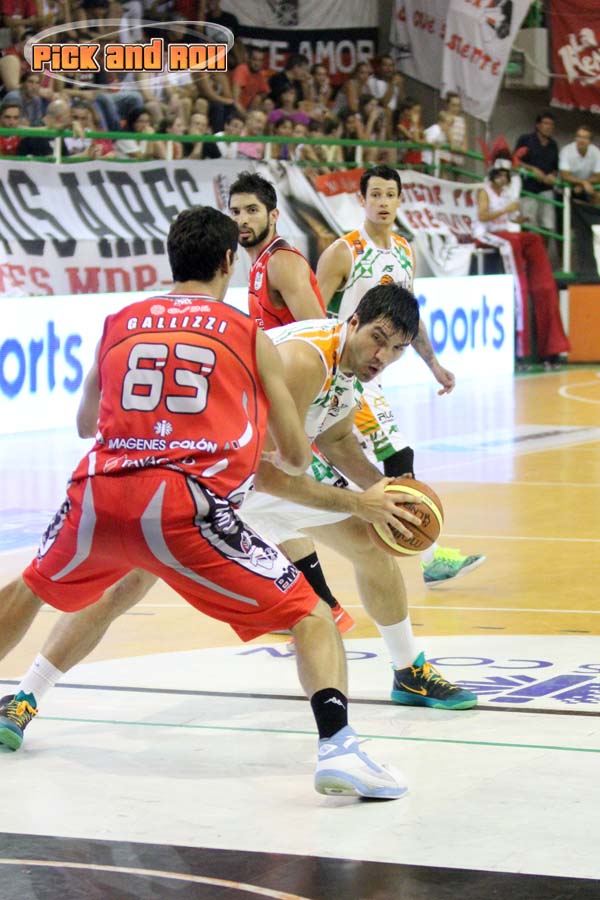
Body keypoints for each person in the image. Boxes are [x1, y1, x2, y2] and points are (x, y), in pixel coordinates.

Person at [0, 206, 411, 800]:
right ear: (228, 261)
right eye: (380, 341)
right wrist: (354, 495)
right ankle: (340, 746)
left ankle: (24, 699)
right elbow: (293, 460)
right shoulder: (255, 336)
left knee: (36, 589)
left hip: (100, 489)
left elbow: (86, 424)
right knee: (312, 614)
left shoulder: (120, 320)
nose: (383, 353)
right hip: (192, 499)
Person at [317, 164, 486, 585]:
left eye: (390, 195)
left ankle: (406, 546)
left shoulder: (404, 251)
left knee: (378, 465)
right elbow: (311, 313)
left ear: (399, 200)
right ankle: (424, 553)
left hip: (372, 374)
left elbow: (409, 316)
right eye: (375, 195)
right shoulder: (343, 251)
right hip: (343, 373)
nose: (383, 202)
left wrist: (434, 364)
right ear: (361, 200)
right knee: (395, 455)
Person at [475, 152, 570, 369]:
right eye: (500, 175)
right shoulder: (484, 191)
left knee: (533, 238)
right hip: (486, 234)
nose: (503, 179)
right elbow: (482, 216)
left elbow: (508, 217)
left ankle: (542, 283)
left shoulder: (505, 193)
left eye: (506, 175)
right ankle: (520, 347)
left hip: (504, 231)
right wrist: (505, 210)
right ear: (493, 175)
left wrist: (519, 218)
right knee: (514, 244)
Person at [514, 111, 559, 239]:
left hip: (546, 189)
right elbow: (515, 161)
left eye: (551, 124)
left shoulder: (553, 145)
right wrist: (532, 169)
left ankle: (543, 251)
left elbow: (555, 167)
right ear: (538, 125)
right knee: (528, 225)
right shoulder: (525, 139)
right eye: (545, 123)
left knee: (547, 225)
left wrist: (552, 176)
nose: (548, 127)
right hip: (529, 188)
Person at [559, 125, 600, 204]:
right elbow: (565, 176)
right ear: (575, 138)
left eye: (585, 138)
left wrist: (582, 184)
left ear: (590, 141)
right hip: (565, 190)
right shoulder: (566, 151)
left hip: (585, 189)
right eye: (579, 137)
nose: (581, 140)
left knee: (597, 196)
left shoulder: (596, 152)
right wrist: (583, 183)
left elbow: (598, 177)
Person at [230, 46, 270, 113]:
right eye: (254, 59)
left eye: (260, 60)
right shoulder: (242, 69)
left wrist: (257, 100)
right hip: (233, 110)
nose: (257, 63)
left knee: (268, 103)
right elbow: (235, 101)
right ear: (248, 59)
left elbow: (265, 92)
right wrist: (246, 116)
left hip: (247, 111)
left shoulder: (259, 74)